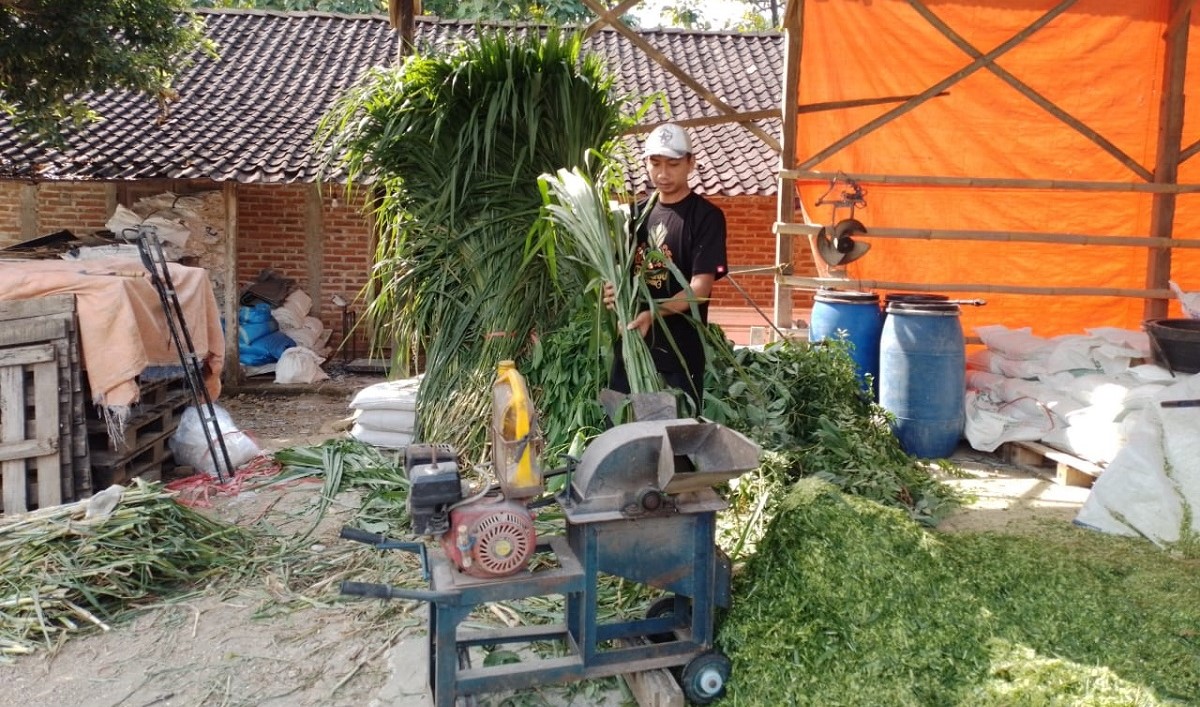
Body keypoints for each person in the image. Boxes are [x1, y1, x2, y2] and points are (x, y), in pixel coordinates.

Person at [607, 123, 728, 414]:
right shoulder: (634, 216)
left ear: (691, 163)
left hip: (679, 356)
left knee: (676, 441)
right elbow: (620, 274)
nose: (663, 174)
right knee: (620, 433)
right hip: (632, 350)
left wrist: (653, 313)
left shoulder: (706, 217)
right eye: (655, 163)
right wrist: (611, 292)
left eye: (673, 164)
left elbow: (699, 289)